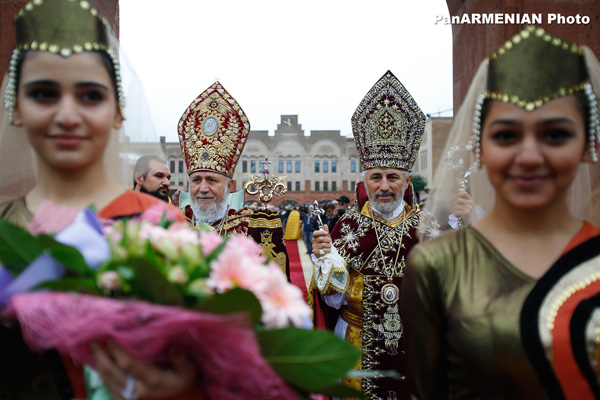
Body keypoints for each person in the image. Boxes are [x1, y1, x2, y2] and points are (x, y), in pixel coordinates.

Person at [0, 0, 202, 398]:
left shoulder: (161, 226)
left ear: (116, 111)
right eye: (44, 93)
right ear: (17, 108)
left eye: (90, 95)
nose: (68, 114)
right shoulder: (8, 221)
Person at [402, 25, 600, 399]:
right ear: (479, 149)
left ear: (588, 145)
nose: (528, 157)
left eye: (555, 134)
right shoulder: (437, 265)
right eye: (506, 135)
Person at [310, 70, 442, 398]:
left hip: (416, 347)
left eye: (393, 177)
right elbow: (332, 301)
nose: (384, 186)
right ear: (365, 182)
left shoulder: (431, 229)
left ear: (407, 182)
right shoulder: (345, 228)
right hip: (356, 342)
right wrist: (326, 261)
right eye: (376, 177)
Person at [178, 80, 289, 279]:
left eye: (212, 180)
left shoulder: (253, 227)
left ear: (229, 186)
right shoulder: (173, 225)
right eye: (196, 180)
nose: (203, 188)